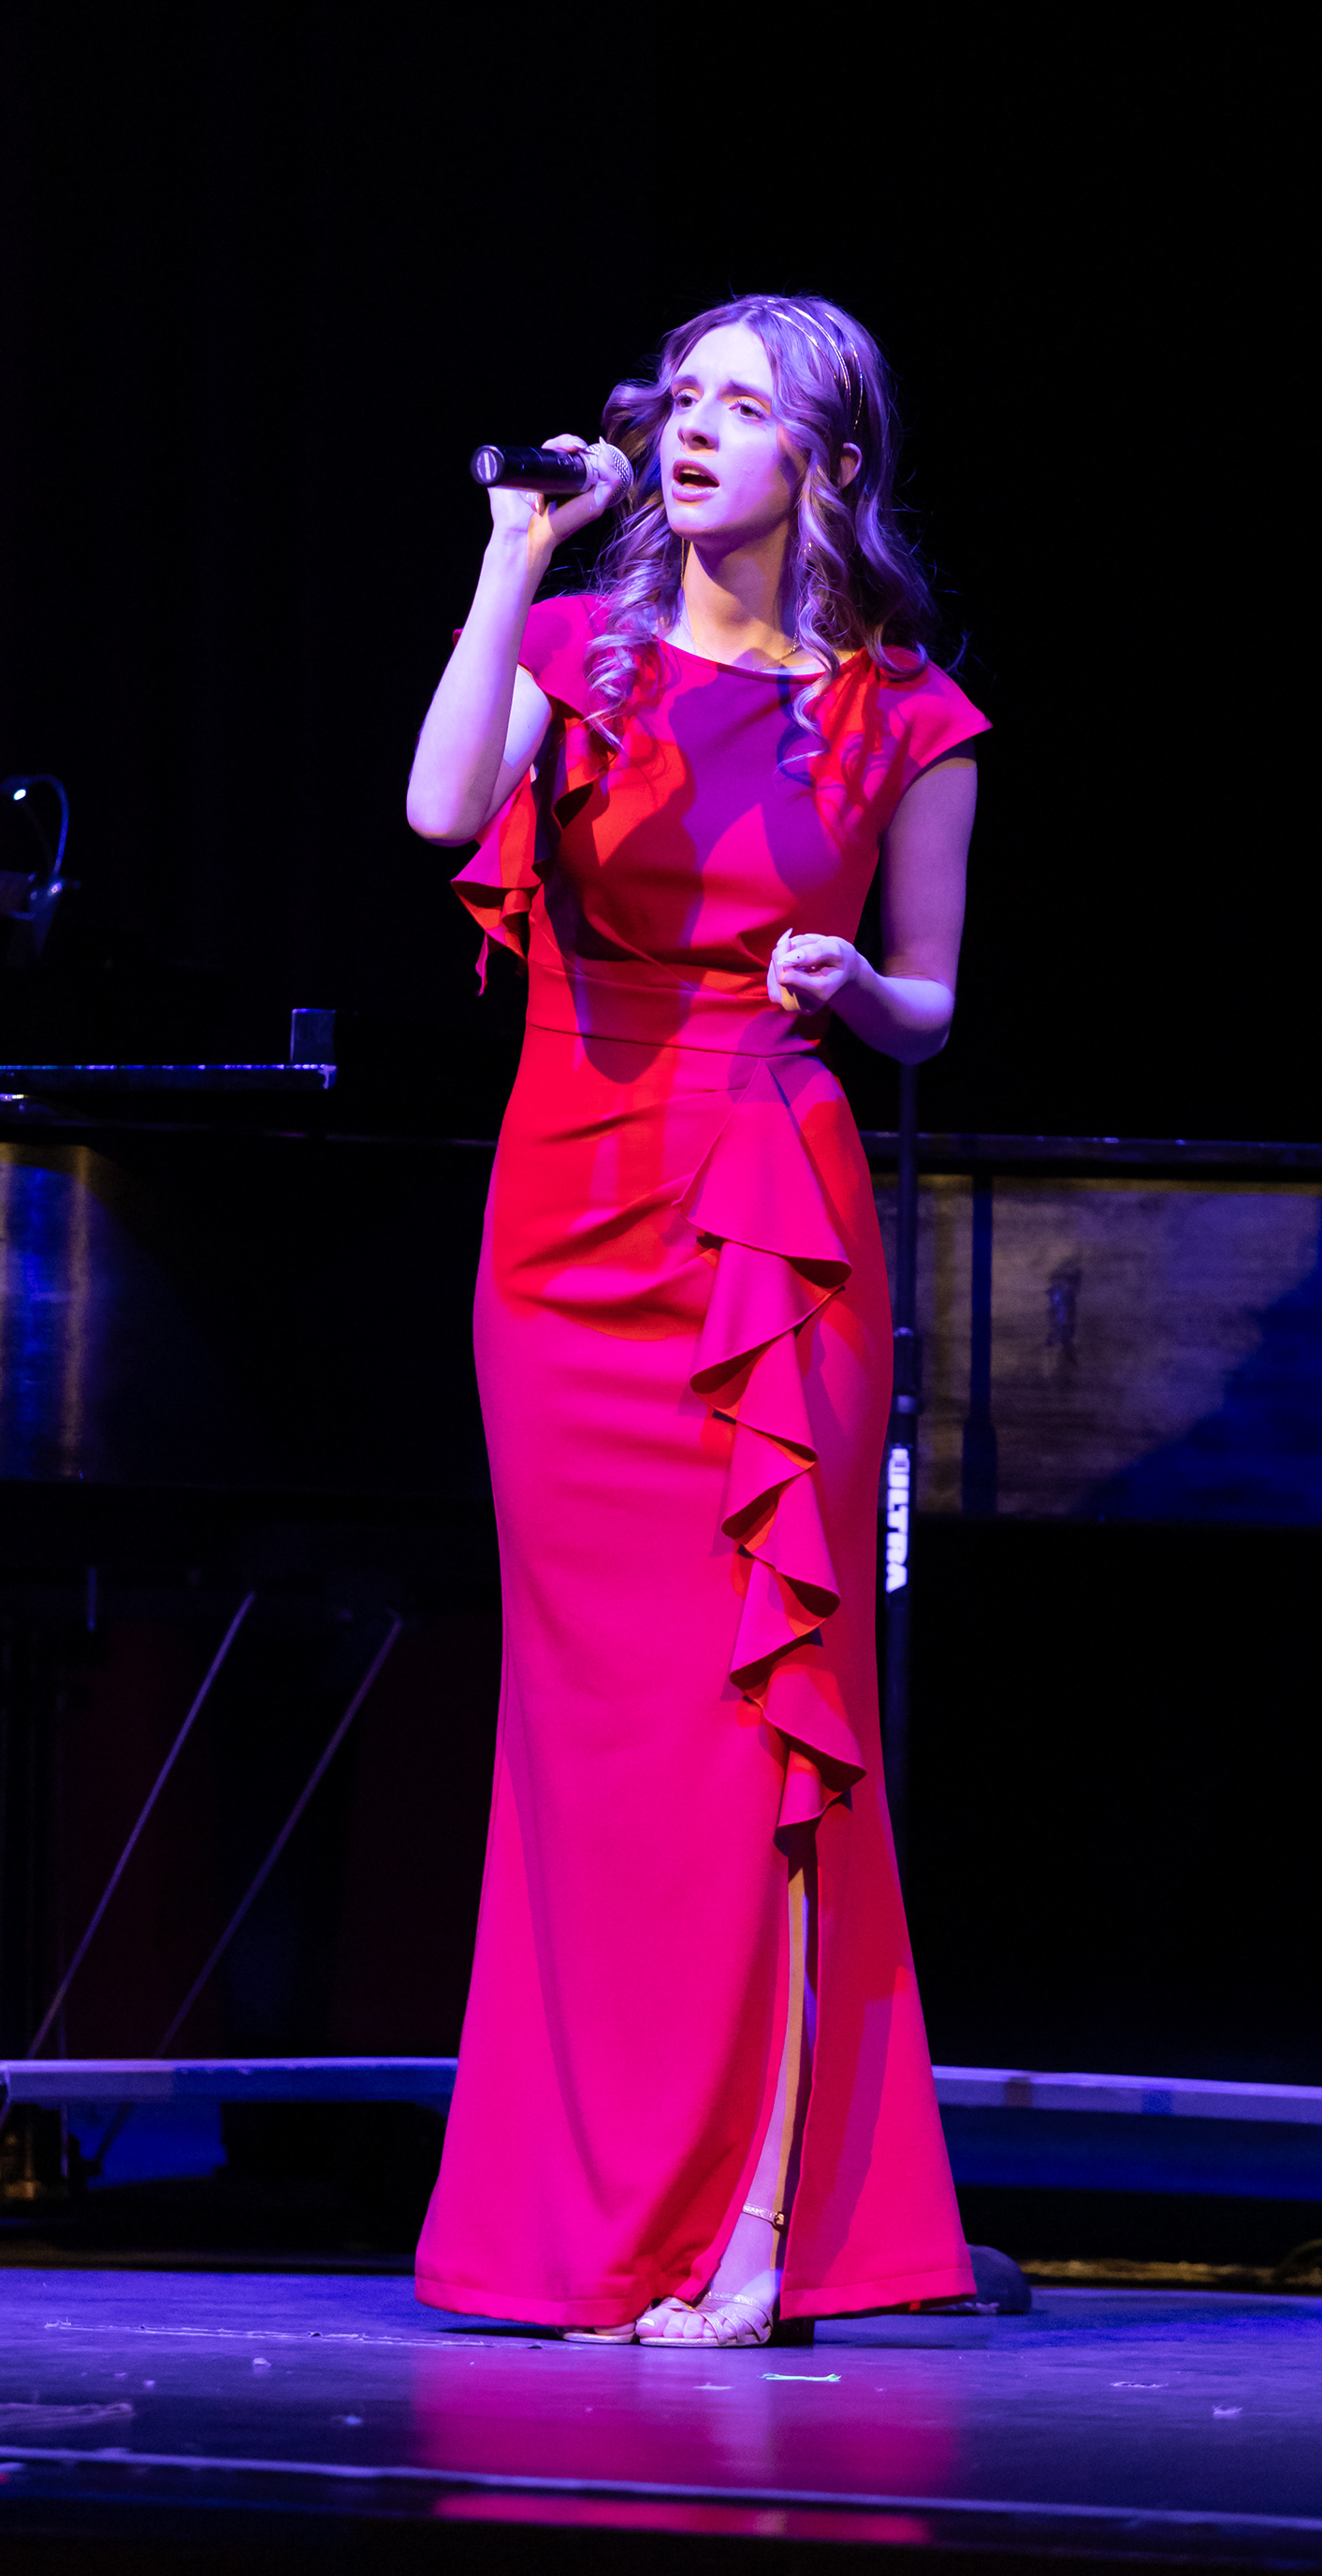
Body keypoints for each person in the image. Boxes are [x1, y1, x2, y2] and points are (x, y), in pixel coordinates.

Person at [405, 294, 987, 2348]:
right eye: (684, 399)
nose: (694, 431)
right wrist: (515, 552)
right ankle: (587, 2219)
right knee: (591, 1739)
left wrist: (859, 991)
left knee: (766, 1717)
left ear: (832, 464)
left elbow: (934, 1001)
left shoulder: (907, 715)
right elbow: (437, 807)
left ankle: (758, 2232)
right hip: (566, 1224)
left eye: (748, 407)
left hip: (767, 1218)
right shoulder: (581, 649)